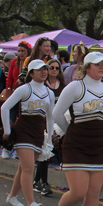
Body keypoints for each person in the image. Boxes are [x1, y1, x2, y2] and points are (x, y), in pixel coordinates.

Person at [49, 52, 103, 206]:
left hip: (98, 144)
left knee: (93, 193)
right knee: (78, 192)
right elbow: (56, 113)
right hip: (76, 144)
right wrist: (71, 130)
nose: (102, 68)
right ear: (87, 67)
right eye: (97, 65)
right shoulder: (75, 86)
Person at [0, 59, 55, 206]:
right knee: (29, 168)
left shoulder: (49, 93)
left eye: (45, 69)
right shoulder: (24, 89)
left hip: (38, 133)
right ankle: (31, 203)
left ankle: (12, 197)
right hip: (23, 130)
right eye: (39, 70)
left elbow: (50, 117)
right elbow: (5, 107)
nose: (43, 72)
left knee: (23, 168)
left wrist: (49, 138)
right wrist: (7, 131)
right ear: (31, 73)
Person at [33, 57, 66, 195]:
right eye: (50, 68)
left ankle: (36, 181)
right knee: (44, 150)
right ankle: (44, 183)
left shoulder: (63, 87)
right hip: (42, 121)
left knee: (48, 150)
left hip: (58, 122)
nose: (53, 70)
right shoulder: (42, 86)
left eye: (56, 68)